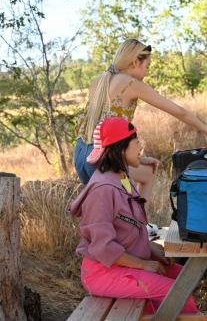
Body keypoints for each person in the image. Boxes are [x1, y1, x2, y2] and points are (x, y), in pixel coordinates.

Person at [70, 117, 198, 314]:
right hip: (104, 273)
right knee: (177, 295)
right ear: (121, 148)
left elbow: (132, 226)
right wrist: (143, 264)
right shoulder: (102, 190)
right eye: (136, 143)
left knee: (184, 280)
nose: (140, 147)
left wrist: (153, 254)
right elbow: (103, 247)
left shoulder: (122, 177)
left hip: (125, 264)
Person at [74, 38, 207, 205]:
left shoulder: (98, 81)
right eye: (147, 66)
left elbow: (101, 130)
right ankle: (138, 225)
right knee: (124, 210)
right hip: (105, 160)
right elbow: (178, 111)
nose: (147, 72)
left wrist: (138, 158)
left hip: (81, 156)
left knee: (146, 174)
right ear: (135, 62)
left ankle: (140, 225)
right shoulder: (130, 83)